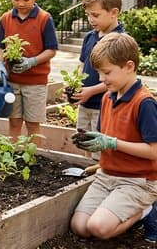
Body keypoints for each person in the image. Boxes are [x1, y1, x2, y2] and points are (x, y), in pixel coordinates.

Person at [70, 33, 157, 241]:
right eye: (99, 73)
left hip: (137, 181)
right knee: (80, 227)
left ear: (129, 66)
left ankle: (147, 211)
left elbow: (154, 150)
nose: (101, 79)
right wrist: (93, 141)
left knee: (98, 228)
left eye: (107, 72)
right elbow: (104, 136)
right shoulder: (108, 97)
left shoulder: (144, 103)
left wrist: (112, 143)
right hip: (107, 176)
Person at [0, 0, 58, 145]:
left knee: (32, 124)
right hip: (11, 82)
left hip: (36, 83)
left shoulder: (45, 19)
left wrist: (32, 61)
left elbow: (51, 50)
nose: (20, 3)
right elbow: (1, 46)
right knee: (14, 122)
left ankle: (34, 157)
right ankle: (12, 155)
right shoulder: (6, 19)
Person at [73, 0, 124, 159]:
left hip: (103, 106)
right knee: (85, 143)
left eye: (95, 15)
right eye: (88, 15)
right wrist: (77, 87)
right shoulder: (90, 37)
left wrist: (92, 91)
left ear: (114, 12)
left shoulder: (120, 41)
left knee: (100, 151)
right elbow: (82, 65)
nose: (91, 20)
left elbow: (120, 78)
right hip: (85, 104)